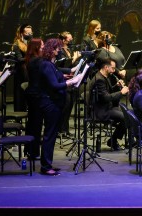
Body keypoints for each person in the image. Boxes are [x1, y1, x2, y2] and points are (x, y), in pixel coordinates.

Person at [26, 38, 79, 175]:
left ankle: (47, 164)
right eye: (57, 49)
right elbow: (54, 85)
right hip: (49, 104)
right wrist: (72, 82)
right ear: (52, 50)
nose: (59, 50)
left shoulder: (50, 64)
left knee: (51, 134)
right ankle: (45, 166)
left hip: (52, 103)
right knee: (49, 135)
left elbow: (55, 77)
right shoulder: (46, 65)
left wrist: (65, 78)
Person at [91, 57, 129, 151]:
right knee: (126, 117)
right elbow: (106, 98)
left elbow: (108, 92)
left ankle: (115, 140)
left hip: (107, 107)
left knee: (128, 113)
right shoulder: (99, 79)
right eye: (113, 68)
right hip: (101, 111)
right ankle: (113, 140)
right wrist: (121, 93)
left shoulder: (104, 76)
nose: (114, 70)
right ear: (106, 67)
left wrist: (117, 86)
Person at [10, 23, 33, 112]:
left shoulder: (30, 43)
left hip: (29, 71)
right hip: (21, 72)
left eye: (31, 33)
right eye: (28, 33)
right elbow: (19, 59)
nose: (30, 35)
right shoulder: (16, 45)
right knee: (20, 93)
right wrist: (32, 57)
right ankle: (20, 112)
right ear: (22, 33)